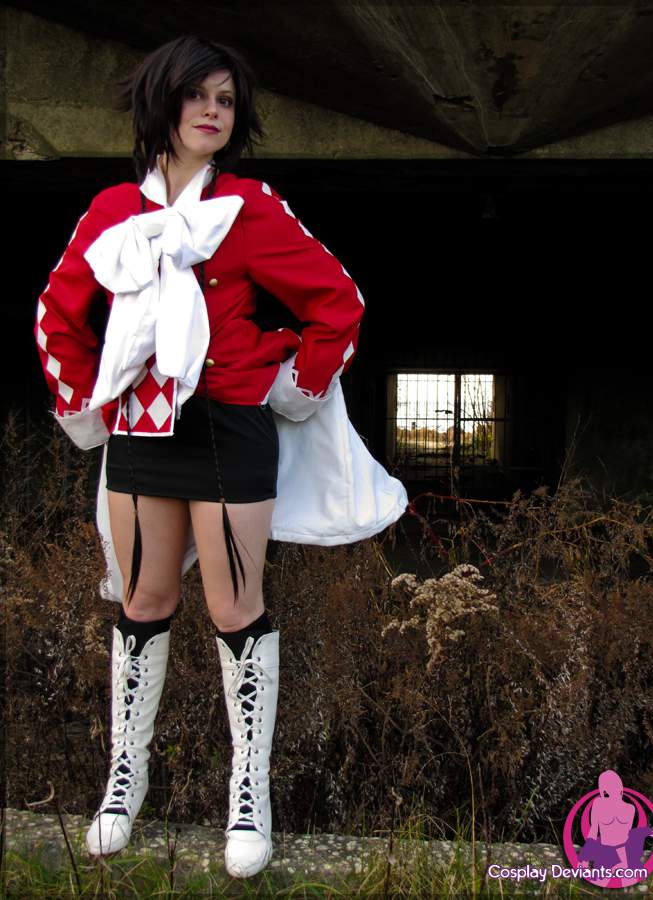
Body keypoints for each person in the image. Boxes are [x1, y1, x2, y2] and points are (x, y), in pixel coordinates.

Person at [34, 34, 407, 880]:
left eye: (226, 100)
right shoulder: (109, 211)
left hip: (229, 426)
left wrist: (292, 385)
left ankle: (249, 794)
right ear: (161, 102)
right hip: (140, 429)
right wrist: (87, 402)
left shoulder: (248, 206)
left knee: (234, 607)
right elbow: (56, 313)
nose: (212, 111)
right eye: (197, 95)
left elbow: (338, 303)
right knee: (143, 600)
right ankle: (123, 782)